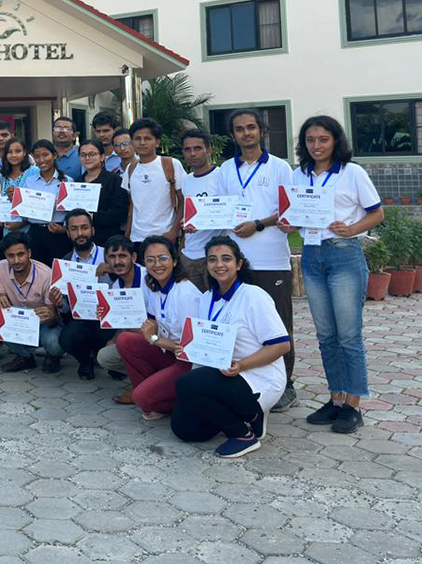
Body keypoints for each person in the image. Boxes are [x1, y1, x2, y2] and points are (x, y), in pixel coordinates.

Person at [282, 115, 384, 434]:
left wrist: (352, 228)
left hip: (343, 254)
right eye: (310, 140)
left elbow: (377, 213)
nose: (316, 146)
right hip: (312, 255)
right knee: (326, 335)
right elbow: (297, 215)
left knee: (348, 335)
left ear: (335, 141)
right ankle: (335, 399)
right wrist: (291, 224)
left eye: (323, 139)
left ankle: (353, 405)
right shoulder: (300, 175)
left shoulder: (351, 173)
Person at [171, 236, 291, 459]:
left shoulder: (254, 296)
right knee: (185, 429)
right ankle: (252, 417)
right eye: (212, 260)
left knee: (187, 384)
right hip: (223, 375)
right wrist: (189, 348)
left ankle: (243, 434)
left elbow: (282, 345)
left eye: (226, 259)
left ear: (239, 264)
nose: (219, 265)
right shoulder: (207, 298)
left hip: (258, 376)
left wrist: (241, 365)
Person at [214, 109, 297, 412]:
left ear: (261, 131)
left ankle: (286, 383)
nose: (246, 133)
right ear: (232, 135)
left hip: (271, 258)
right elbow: (221, 208)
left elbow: (290, 209)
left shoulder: (280, 167)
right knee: (238, 322)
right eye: (239, 129)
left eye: (251, 127)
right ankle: (246, 375)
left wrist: (258, 224)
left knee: (278, 322)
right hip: (235, 261)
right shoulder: (224, 169)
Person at [115, 236, 202, 420]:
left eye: (163, 258)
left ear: (175, 260)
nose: (157, 264)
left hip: (189, 362)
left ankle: (176, 400)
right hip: (168, 353)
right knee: (125, 340)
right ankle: (155, 396)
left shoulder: (185, 293)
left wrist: (155, 339)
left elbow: (193, 347)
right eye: (150, 260)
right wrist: (109, 315)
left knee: (142, 398)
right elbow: (143, 323)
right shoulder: (152, 285)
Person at [55, 209, 114, 379]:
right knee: (67, 338)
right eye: (74, 229)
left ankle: (110, 361)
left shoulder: (109, 256)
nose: (80, 233)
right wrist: (59, 303)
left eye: (84, 227)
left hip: (108, 320)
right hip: (81, 319)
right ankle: (85, 361)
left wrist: (112, 271)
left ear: (93, 230)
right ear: (67, 233)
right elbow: (66, 308)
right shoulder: (65, 263)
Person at [0, 232, 62, 373]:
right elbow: (2, 295)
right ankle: (24, 357)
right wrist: (1, 300)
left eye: (20, 254)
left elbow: (53, 318)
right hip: (19, 320)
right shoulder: (1, 267)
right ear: (5, 256)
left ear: (29, 253)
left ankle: (53, 357)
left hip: (43, 324)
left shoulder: (46, 274)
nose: (16, 260)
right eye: (11, 256)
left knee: (54, 342)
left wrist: (49, 316)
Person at [124, 118, 185, 251]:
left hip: (164, 236)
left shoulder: (171, 164)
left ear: (157, 142)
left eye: (147, 138)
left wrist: (174, 232)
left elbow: (183, 200)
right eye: (137, 138)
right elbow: (132, 206)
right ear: (132, 141)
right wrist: (127, 235)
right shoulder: (131, 168)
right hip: (137, 238)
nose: (142, 142)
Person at [99, 235, 145, 402]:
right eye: (112, 257)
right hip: (136, 338)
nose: (117, 261)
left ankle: (141, 386)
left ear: (133, 257)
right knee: (105, 356)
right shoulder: (117, 285)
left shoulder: (148, 279)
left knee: (126, 341)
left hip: (158, 339)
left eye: (122, 256)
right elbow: (124, 320)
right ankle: (145, 377)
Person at [17, 140, 71, 265]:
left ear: (54, 155)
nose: (41, 160)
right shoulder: (29, 182)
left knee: (57, 270)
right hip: (35, 233)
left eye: (45, 155)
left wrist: (64, 229)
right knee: (37, 270)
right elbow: (23, 213)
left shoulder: (67, 181)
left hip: (58, 233)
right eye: (37, 156)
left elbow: (74, 212)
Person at [178, 129, 219, 292]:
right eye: (187, 149)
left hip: (213, 255)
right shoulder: (186, 181)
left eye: (197, 148)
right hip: (189, 256)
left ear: (209, 150)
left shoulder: (222, 176)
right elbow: (185, 217)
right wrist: (181, 251)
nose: (192, 153)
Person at [76, 140, 128, 246]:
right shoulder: (76, 183)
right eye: (83, 155)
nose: (87, 158)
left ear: (102, 157)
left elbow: (120, 212)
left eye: (92, 154)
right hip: (81, 240)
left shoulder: (114, 180)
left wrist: (92, 217)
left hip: (108, 239)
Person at [51, 115, 83, 180]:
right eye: (58, 128)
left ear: (74, 135)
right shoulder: (45, 156)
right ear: (52, 133)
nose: (62, 131)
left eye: (67, 129)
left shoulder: (82, 156)